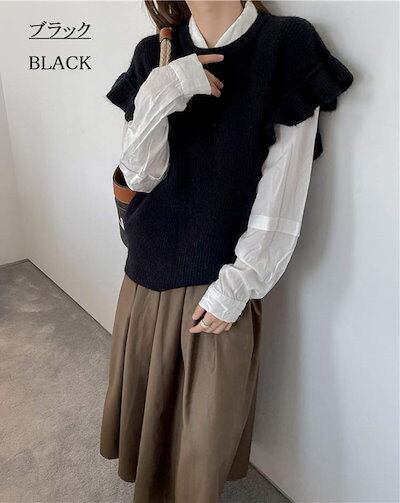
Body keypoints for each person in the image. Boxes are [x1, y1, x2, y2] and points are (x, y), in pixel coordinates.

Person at [100, 1, 354, 501]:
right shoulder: (155, 52)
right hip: (146, 266)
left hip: (217, 277)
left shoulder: (285, 43)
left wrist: (239, 283)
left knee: (200, 445)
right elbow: (140, 175)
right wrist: (164, 90)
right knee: (150, 424)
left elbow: (286, 184)